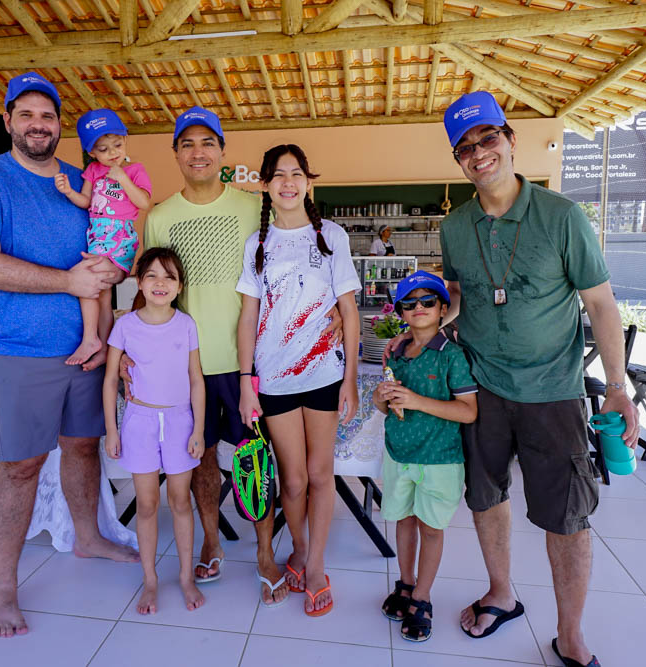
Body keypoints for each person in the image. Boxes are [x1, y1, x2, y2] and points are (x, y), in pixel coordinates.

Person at [423, 91, 636, 667]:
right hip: (482, 387)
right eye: (465, 147)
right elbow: (461, 296)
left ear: (510, 140)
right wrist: (421, 331)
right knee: (485, 497)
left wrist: (618, 386)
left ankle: (570, 633)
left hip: (554, 392)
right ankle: (502, 593)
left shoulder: (562, 217)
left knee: (567, 518)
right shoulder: (456, 226)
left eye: (488, 138)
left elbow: (600, 303)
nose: (478, 153)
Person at [0, 71, 138, 639]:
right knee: (21, 465)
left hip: (88, 348)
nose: (37, 124)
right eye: (26, 114)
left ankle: (88, 536)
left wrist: (106, 327)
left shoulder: (84, 180)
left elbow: (106, 255)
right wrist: (67, 283)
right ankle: (3, 587)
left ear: (60, 125)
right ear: (8, 121)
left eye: (48, 116)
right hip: (19, 349)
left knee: (83, 448)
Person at [133, 107, 341, 608]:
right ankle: (210, 539)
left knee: (258, 462)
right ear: (176, 153)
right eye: (187, 144)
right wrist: (129, 350)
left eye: (208, 143)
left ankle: (268, 553)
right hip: (185, 363)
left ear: (223, 152)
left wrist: (331, 309)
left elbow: (305, 261)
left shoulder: (254, 206)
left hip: (254, 364)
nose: (198, 152)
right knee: (200, 457)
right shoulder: (160, 215)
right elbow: (151, 287)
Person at [236, 144, 361, 616]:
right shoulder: (258, 244)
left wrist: (350, 378)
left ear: (309, 181)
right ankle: (299, 546)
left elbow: (347, 309)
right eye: (278, 175)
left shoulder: (331, 236)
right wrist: (247, 379)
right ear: (266, 185)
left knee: (319, 474)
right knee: (291, 480)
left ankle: (315, 565)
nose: (288, 182)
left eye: (296, 173)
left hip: (325, 373)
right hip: (275, 379)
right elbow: (249, 317)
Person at [374, 271, 477, 642]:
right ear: (401, 311)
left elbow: (468, 411)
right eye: (410, 303)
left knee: (431, 529)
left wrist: (417, 401)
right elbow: (385, 405)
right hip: (399, 454)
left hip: (439, 459)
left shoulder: (452, 356)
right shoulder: (397, 353)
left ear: (442, 309)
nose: (418, 308)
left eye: (427, 301)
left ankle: (422, 596)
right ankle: (405, 583)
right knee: (402, 521)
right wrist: (382, 397)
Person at [103, 247, 206, 615]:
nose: (160, 283)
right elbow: (110, 381)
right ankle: (150, 580)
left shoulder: (186, 324)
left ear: (179, 286)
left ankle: (184, 577)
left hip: (180, 422)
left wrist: (199, 430)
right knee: (146, 505)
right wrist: (112, 431)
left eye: (169, 277)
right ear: (140, 282)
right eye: (152, 276)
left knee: (180, 501)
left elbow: (196, 380)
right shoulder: (125, 326)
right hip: (139, 423)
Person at [55, 108, 151, 366]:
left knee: (86, 281)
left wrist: (123, 178)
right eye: (104, 149)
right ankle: (106, 348)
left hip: (119, 241)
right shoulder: (93, 172)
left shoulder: (135, 170)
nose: (113, 153)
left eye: (117, 145)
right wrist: (67, 192)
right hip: (98, 241)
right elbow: (85, 201)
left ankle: (90, 340)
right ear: (92, 153)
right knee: (102, 296)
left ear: (126, 139)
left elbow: (143, 202)